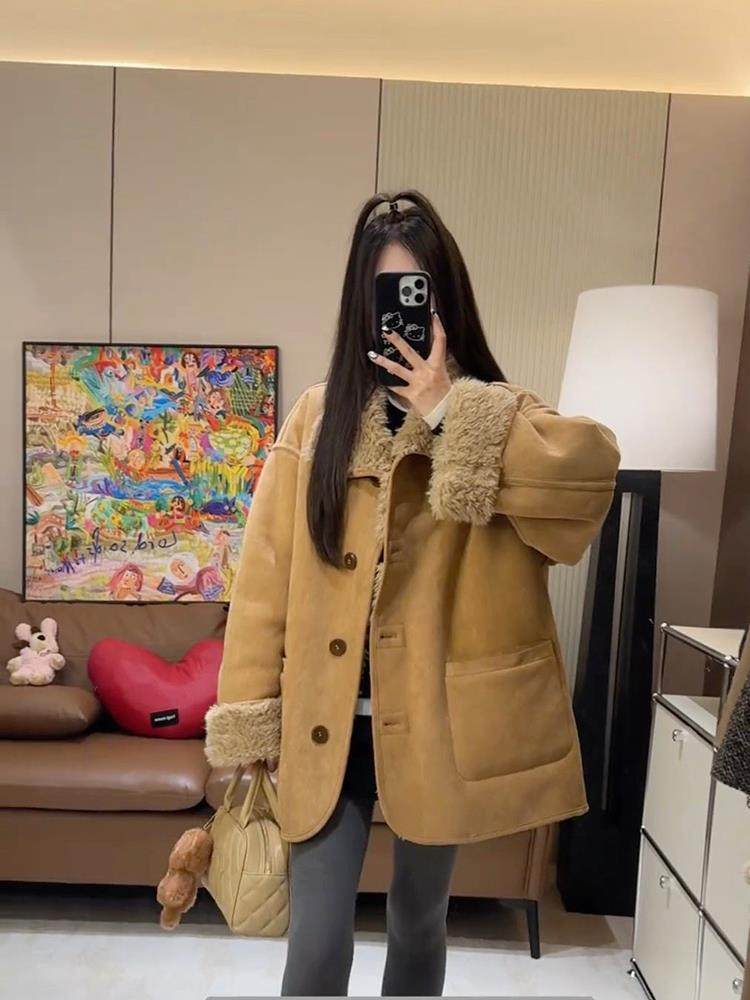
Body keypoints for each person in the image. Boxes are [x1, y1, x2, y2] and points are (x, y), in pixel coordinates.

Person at [204, 189, 622, 996]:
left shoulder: (496, 415)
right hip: (327, 724)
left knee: (419, 921)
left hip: (438, 723)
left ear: (446, 299)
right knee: (315, 940)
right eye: (385, 293)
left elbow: (587, 479)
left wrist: (449, 411)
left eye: (417, 291)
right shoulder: (317, 420)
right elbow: (263, 581)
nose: (401, 312)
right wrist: (251, 713)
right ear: (360, 307)